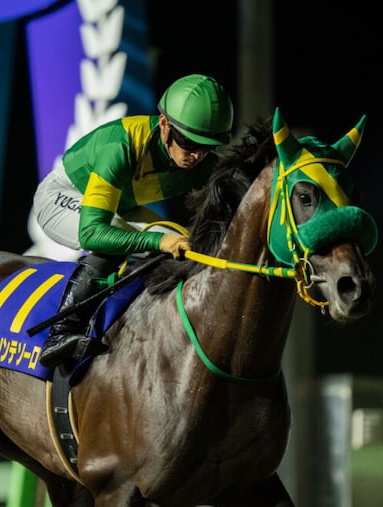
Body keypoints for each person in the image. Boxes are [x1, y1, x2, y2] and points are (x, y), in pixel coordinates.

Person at [32, 73, 234, 368]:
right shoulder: (121, 146)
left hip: (120, 206)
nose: (197, 155)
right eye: (189, 142)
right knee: (121, 238)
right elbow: (92, 233)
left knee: (183, 244)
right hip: (64, 196)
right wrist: (158, 241)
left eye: (207, 146)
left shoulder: (199, 160)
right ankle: (61, 333)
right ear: (164, 125)